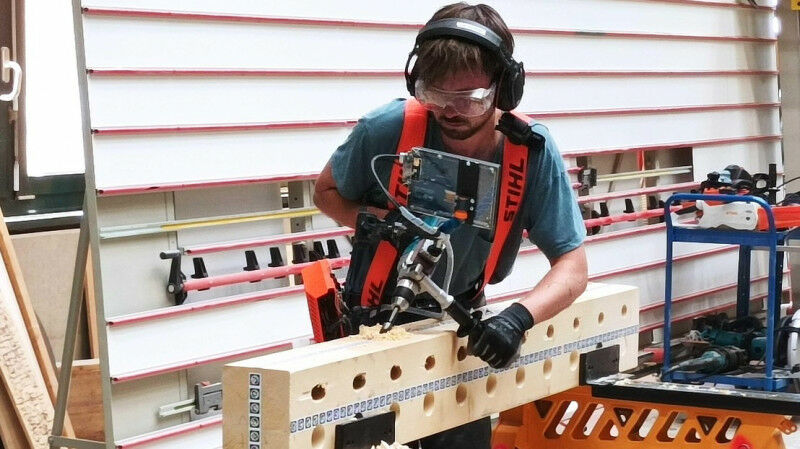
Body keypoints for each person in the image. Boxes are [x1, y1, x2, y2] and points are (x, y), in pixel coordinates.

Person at [313, 3, 588, 448]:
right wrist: (384, 222)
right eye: (435, 94)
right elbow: (326, 192)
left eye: (469, 98)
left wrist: (517, 320)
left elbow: (573, 267)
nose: (450, 111)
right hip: (370, 330)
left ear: (505, 88)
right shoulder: (387, 129)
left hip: (457, 330)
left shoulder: (530, 151)